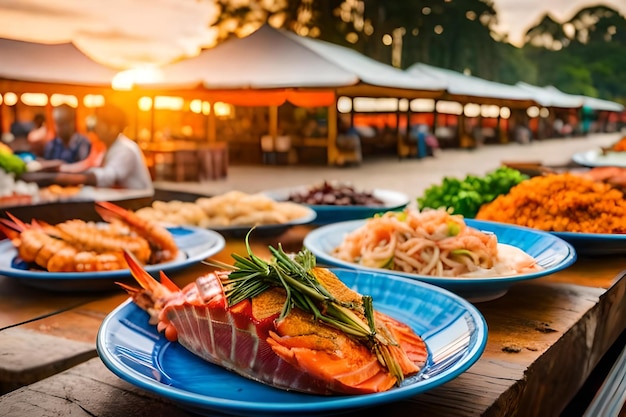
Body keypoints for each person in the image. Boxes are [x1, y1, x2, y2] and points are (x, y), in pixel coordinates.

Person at [22, 103, 153, 190]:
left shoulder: (125, 149)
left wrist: (57, 178)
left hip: (138, 205)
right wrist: (56, 168)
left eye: (99, 123)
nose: (95, 127)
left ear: (113, 128)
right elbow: (88, 167)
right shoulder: (108, 147)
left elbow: (106, 177)